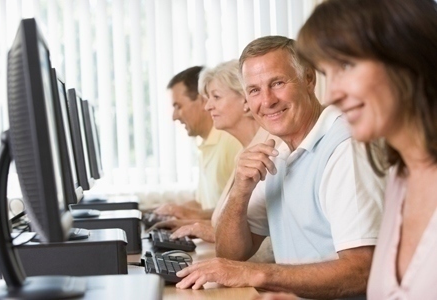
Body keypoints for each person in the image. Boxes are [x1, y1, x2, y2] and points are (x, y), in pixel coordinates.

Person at [175, 36, 386, 300]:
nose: (267, 100)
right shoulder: (277, 149)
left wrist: (259, 274)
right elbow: (231, 254)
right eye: (253, 90)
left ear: (309, 79)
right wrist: (241, 189)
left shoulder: (346, 148)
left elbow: (362, 271)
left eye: (277, 83)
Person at [296, 0, 437, 298]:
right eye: (327, 72)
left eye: (345, 65)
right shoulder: (401, 175)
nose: (332, 94)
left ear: (406, 54)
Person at [161, 60, 280, 263]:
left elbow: (272, 239)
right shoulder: (244, 152)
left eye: (216, 97)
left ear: (245, 100)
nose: (207, 106)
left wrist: (206, 230)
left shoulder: (270, 151)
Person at [152, 66, 241, 219]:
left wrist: (186, 214)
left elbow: (242, 214)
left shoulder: (232, 142)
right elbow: (204, 204)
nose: (174, 116)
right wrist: (166, 211)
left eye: (178, 106)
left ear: (202, 100)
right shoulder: (207, 144)